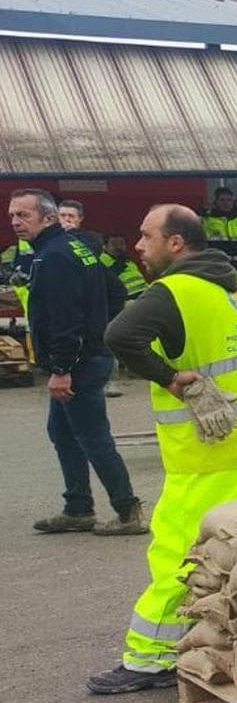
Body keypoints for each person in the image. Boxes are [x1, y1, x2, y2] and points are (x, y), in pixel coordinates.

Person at [92, 203, 237, 695]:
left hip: (210, 452)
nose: (138, 248)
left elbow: (119, 336)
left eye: (146, 237)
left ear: (176, 243)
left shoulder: (174, 292)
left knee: (181, 553)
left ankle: (149, 659)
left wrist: (171, 379)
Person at [8, 188, 144, 537]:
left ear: (48, 217)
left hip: (77, 364)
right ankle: (78, 508)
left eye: (23, 215)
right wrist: (101, 328)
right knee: (63, 431)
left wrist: (61, 370)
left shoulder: (53, 256)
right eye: (12, 215)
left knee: (92, 437)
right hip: (89, 355)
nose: (15, 222)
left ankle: (127, 511)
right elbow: (115, 292)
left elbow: (63, 319)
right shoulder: (77, 249)